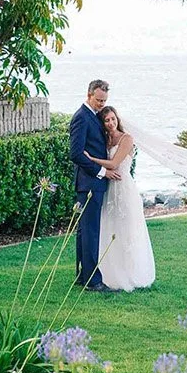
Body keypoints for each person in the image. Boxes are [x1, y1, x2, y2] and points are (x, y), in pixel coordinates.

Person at [85, 106, 156, 291]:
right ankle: (109, 272)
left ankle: (131, 272)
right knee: (110, 228)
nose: (110, 123)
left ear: (118, 119)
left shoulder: (127, 138)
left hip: (124, 189)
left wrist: (91, 159)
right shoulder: (105, 139)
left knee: (127, 230)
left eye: (113, 119)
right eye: (107, 120)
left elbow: (115, 163)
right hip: (109, 189)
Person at [69, 79, 119, 291]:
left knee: (85, 231)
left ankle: (83, 276)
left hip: (91, 184)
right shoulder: (81, 117)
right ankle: (93, 281)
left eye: (104, 100)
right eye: (98, 100)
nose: (101, 104)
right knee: (90, 232)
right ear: (89, 95)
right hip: (89, 183)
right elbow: (76, 153)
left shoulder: (93, 116)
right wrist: (102, 172)